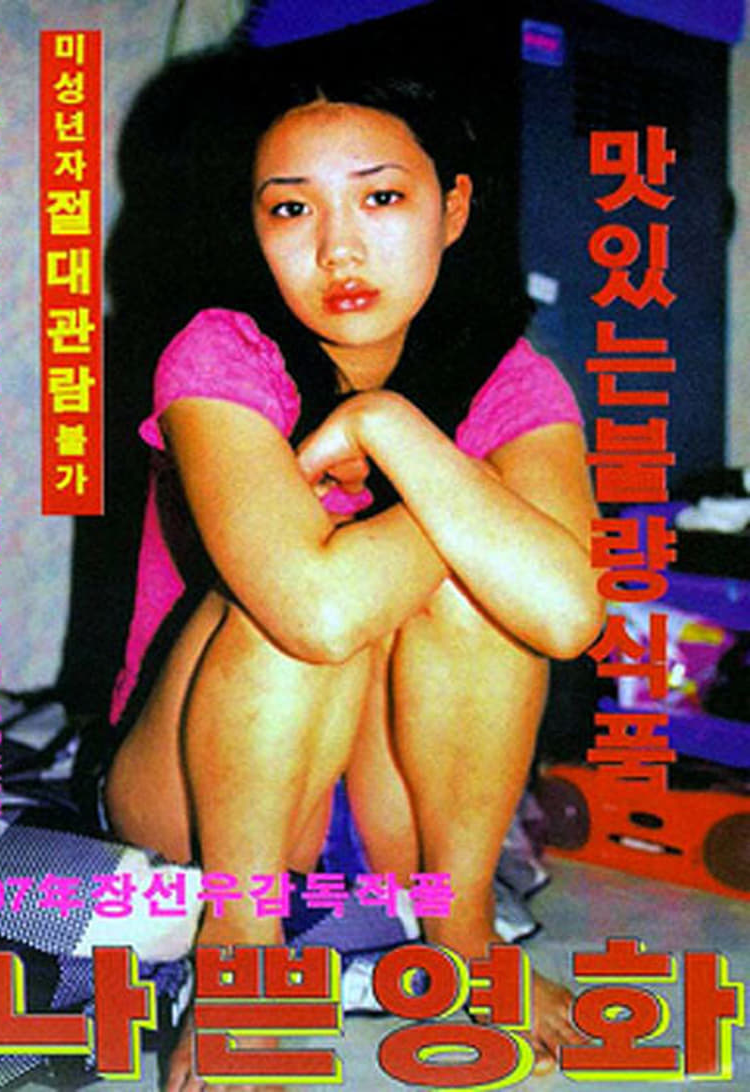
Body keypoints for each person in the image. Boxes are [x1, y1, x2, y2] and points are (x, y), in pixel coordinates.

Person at [102, 47, 603, 1092]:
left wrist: (389, 426)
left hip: (404, 811)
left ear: (452, 209)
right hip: (201, 798)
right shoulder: (220, 356)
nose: (338, 247)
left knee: (484, 596)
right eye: (291, 210)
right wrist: (468, 496)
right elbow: (319, 616)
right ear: (252, 226)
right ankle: (242, 956)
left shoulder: (515, 380)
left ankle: (462, 931)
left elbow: (564, 615)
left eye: (381, 197)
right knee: (294, 608)